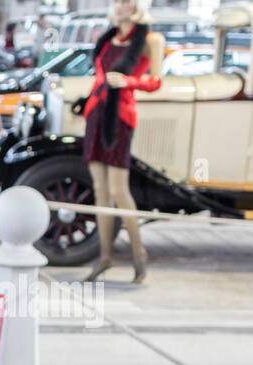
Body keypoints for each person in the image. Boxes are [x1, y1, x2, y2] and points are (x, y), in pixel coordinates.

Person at [81, 0, 162, 283]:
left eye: (126, 1)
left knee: (118, 189)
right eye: (116, 1)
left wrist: (129, 82)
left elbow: (155, 81)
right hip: (96, 113)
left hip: (121, 117)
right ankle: (105, 257)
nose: (120, 6)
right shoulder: (108, 37)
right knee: (100, 189)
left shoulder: (151, 39)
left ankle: (139, 253)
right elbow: (99, 76)